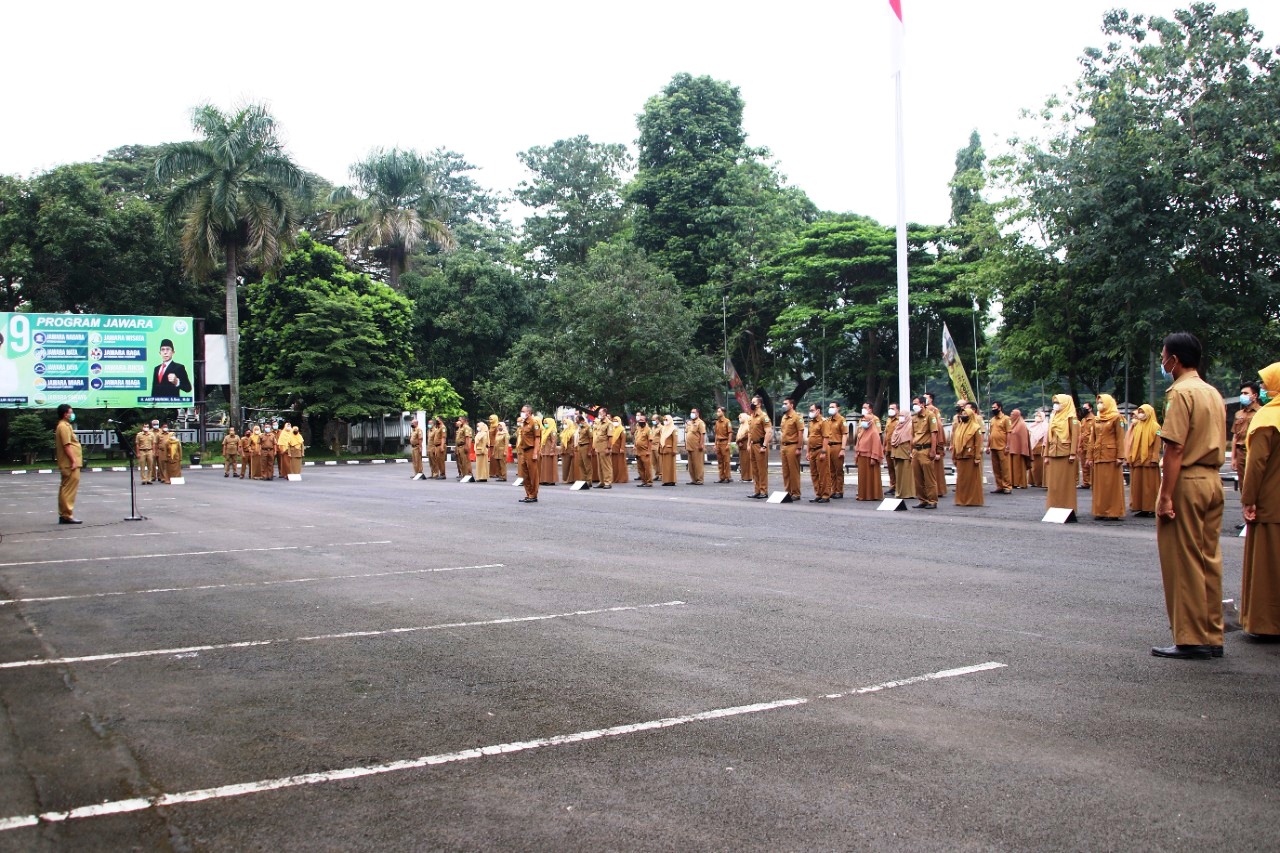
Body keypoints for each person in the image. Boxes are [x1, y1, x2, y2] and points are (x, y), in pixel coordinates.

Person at [1152, 332, 1227, 660]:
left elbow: (1176, 446)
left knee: (1183, 561)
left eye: (1164, 356)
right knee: (1208, 558)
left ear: (1175, 360)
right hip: (1213, 480)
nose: (1162, 362)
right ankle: (1212, 634)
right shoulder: (1212, 392)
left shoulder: (1180, 393)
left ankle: (1190, 637)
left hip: (1188, 480)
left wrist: (1166, 495)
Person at [1240, 362, 1280, 641]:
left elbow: (1256, 465)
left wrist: (1248, 499)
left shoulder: (1268, 419)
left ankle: (1267, 622)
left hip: (1270, 501)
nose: (1262, 390)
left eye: (1266, 384)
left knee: (1268, 564)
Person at [1088, 394, 1126, 521]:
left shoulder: (1117, 418)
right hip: (1098, 455)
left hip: (1111, 456)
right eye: (1098, 402)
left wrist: (1120, 456)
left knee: (1111, 485)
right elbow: (1092, 439)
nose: (1099, 404)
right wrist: (1089, 456)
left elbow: (1120, 438)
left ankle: (1113, 512)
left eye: (1102, 402)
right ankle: (1100, 511)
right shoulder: (1096, 419)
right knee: (1099, 485)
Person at [1044, 395, 1079, 512]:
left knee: (1066, 483)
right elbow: (1049, 436)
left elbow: (1075, 437)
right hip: (1053, 452)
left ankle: (1067, 507)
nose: (1056, 405)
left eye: (1058, 402)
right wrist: (1046, 454)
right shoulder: (1054, 417)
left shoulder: (1071, 418)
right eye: (1055, 402)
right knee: (1054, 483)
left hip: (1065, 453)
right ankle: (1053, 506)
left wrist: (1073, 453)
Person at [1125, 404, 1161, 518]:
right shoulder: (1137, 426)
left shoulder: (1156, 427)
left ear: (1149, 413)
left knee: (1150, 486)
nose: (1140, 414)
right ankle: (1141, 507)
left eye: (1143, 412)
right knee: (1138, 486)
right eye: (1139, 412)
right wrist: (1130, 457)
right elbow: (1132, 443)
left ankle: (1151, 508)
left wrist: (1155, 458)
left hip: (1149, 461)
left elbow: (1157, 444)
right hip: (1137, 459)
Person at [951, 401, 984, 507]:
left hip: (970, 456)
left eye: (966, 414)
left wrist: (978, 457)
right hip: (960, 456)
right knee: (961, 479)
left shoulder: (975, 427)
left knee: (971, 480)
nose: (963, 416)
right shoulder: (960, 426)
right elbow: (956, 441)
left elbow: (978, 444)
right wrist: (954, 455)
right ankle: (961, 499)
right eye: (963, 414)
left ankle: (972, 500)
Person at [54, 404, 82, 524]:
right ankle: (66, 515)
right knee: (68, 490)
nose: (72, 414)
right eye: (71, 412)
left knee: (65, 489)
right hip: (69, 463)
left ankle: (65, 514)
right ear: (65, 414)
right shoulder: (63, 427)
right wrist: (73, 460)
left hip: (68, 463)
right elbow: (67, 445)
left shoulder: (65, 425)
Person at [910, 398, 939, 509]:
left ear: (922, 404)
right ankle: (922, 500)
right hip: (916, 450)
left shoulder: (930, 416)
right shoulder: (914, 418)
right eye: (913, 404)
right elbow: (912, 435)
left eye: (916, 404)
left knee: (929, 477)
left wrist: (933, 450)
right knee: (918, 478)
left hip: (926, 449)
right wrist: (911, 450)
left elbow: (934, 434)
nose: (914, 406)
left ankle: (932, 500)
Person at [854, 403, 884, 501]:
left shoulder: (874, 431)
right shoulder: (863, 431)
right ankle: (863, 494)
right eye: (862, 421)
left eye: (865, 421)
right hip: (862, 456)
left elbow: (876, 445)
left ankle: (873, 494)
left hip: (870, 457)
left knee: (872, 477)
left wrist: (874, 457)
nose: (863, 422)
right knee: (863, 477)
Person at [923, 393, 948, 497]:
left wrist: (938, 449)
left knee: (936, 469)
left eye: (926, 398)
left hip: (934, 444)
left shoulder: (933, 410)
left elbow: (939, 428)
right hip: (924, 445)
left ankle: (938, 490)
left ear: (931, 399)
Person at [888, 403, 914, 500]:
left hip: (906, 452)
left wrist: (911, 452)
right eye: (900, 416)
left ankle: (908, 493)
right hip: (897, 452)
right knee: (898, 473)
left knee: (907, 473)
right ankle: (899, 492)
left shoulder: (910, 426)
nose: (901, 418)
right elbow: (893, 438)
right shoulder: (898, 426)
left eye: (903, 416)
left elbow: (911, 440)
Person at [779, 398, 803, 500]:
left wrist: (799, 447)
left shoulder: (797, 417)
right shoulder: (784, 417)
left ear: (791, 405)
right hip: (784, 446)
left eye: (786, 403)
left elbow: (800, 433)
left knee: (793, 471)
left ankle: (796, 493)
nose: (784, 405)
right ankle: (787, 492)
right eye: (783, 403)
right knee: (786, 471)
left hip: (793, 445)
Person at [806, 404, 831, 503]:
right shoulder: (811, 422)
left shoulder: (823, 422)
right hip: (812, 450)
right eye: (810, 410)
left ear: (818, 411)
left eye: (812, 410)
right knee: (814, 473)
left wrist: (824, 451)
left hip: (821, 449)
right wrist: (807, 451)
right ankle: (818, 493)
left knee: (823, 473)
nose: (810, 412)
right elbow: (809, 438)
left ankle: (825, 495)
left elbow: (826, 437)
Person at [516, 406, 541, 503]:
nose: (521, 413)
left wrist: (535, 452)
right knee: (525, 474)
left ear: (529, 413)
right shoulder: (523, 423)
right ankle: (528, 493)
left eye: (523, 411)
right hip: (524, 450)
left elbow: (537, 438)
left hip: (531, 450)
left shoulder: (534, 423)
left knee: (533, 474)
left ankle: (533, 495)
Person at [987, 402, 1013, 494]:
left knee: (1005, 468)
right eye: (992, 407)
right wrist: (987, 446)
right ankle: (999, 486)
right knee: (996, 468)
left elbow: (1009, 433)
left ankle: (1007, 486)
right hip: (993, 446)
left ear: (1000, 408)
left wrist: (1008, 446)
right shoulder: (992, 420)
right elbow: (990, 434)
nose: (993, 409)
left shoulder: (1006, 419)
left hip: (1002, 447)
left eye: (994, 407)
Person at [748, 401, 771, 499]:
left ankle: (763, 491)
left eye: (753, 402)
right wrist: (749, 444)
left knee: (762, 469)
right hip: (753, 445)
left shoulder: (763, 416)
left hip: (760, 445)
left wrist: (764, 446)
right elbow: (750, 432)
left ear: (759, 404)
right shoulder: (752, 416)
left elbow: (768, 432)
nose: (751, 403)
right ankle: (757, 490)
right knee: (755, 469)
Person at [826, 402, 847, 499]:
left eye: (833, 407)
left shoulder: (841, 420)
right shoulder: (828, 420)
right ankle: (833, 490)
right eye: (830, 407)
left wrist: (843, 449)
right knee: (831, 470)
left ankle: (839, 490)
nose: (831, 408)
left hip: (837, 446)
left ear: (838, 408)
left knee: (838, 470)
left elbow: (845, 434)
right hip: (829, 447)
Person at [591, 407, 614, 489]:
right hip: (598, 447)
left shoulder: (609, 423)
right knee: (600, 466)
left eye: (600, 413)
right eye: (599, 413)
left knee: (606, 465)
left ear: (605, 414)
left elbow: (610, 437)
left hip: (604, 447)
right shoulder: (599, 423)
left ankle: (608, 482)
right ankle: (602, 482)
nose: (599, 414)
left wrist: (609, 448)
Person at [1008, 409, 1031, 489]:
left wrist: (1024, 450)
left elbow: (1024, 439)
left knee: (1019, 467)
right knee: (1011, 467)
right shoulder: (1011, 424)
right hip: (1011, 449)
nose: (1011, 416)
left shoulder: (1022, 425)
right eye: (1011, 414)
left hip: (1019, 450)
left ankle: (1021, 482)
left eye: (1013, 414)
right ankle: (1013, 482)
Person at [882, 403, 901, 495]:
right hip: (888, 448)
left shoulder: (900, 420)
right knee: (890, 468)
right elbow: (886, 434)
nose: (890, 410)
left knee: (897, 467)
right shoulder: (889, 420)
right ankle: (892, 486)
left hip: (896, 447)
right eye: (889, 408)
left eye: (893, 408)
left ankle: (898, 486)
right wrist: (883, 445)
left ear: (897, 410)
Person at [685, 408, 707, 485]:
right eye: (691, 412)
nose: (692, 414)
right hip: (689, 446)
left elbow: (702, 434)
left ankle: (699, 479)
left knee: (698, 464)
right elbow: (687, 433)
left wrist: (701, 444)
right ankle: (693, 479)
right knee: (691, 465)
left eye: (694, 412)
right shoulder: (689, 423)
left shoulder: (700, 423)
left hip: (696, 446)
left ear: (698, 413)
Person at [1077, 402, 1096, 489]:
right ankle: (1086, 482)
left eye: (1086, 408)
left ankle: (1093, 482)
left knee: (1091, 464)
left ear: (1090, 409)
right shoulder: (1083, 420)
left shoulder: (1094, 419)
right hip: (1083, 445)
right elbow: (1081, 433)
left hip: (1090, 445)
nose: (1083, 409)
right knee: (1084, 465)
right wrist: (1079, 445)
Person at [1028, 410, 1049, 488]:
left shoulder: (1045, 426)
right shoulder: (1032, 426)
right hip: (1032, 448)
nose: (1037, 417)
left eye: (1039, 416)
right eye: (1036, 416)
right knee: (1032, 467)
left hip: (1040, 449)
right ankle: (1032, 481)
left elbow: (1046, 438)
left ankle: (1039, 482)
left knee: (1038, 467)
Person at [633, 414, 654, 486]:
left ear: (645, 421)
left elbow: (650, 441)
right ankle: (643, 481)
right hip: (638, 451)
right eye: (639, 420)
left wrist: (649, 450)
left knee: (647, 468)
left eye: (642, 420)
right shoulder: (638, 429)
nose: (640, 421)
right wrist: (634, 446)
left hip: (645, 451)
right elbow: (636, 438)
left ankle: (649, 482)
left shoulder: (648, 429)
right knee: (640, 468)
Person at [714, 407, 733, 482]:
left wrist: (729, 443)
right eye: (717, 411)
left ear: (723, 412)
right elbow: (716, 434)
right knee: (720, 461)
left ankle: (727, 477)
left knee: (726, 461)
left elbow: (730, 433)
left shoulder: (727, 421)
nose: (717, 413)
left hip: (725, 442)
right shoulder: (717, 422)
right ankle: (721, 477)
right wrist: (715, 444)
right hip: (718, 442)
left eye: (719, 411)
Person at [658, 415, 679, 486]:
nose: (665, 421)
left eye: (666, 420)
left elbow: (675, 440)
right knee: (665, 467)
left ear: (670, 420)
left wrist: (674, 449)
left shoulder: (673, 429)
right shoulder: (663, 428)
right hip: (664, 449)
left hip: (670, 450)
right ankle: (666, 480)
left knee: (671, 466)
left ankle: (672, 480)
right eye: (664, 420)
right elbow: (661, 439)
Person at [539, 417, 559, 485]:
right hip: (544, 451)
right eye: (544, 423)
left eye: (546, 423)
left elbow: (554, 442)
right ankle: (544, 479)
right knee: (545, 466)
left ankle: (550, 480)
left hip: (550, 452)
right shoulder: (545, 431)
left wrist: (552, 450)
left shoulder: (553, 431)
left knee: (550, 467)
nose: (545, 424)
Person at [574, 416, 593, 485]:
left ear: (582, 420)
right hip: (580, 446)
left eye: (578, 421)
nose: (577, 422)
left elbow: (591, 438)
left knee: (587, 464)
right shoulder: (580, 427)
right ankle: (583, 479)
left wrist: (589, 450)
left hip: (586, 446)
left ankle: (589, 480)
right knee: (581, 464)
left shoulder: (588, 427)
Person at [610, 417, 629, 484]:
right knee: (614, 465)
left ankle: (622, 478)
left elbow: (623, 440)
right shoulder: (612, 429)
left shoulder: (621, 429)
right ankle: (615, 478)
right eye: (614, 421)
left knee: (620, 464)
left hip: (619, 449)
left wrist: (622, 448)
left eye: (616, 421)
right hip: (613, 449)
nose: (615, 422)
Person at [559, 418, 576, 483]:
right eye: (564, 424)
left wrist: (572, 451)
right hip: (564, 451)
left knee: (569, 465)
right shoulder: (564, 432)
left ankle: (570, 479)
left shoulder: (572, 432)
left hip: (569, 450)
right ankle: (565, 479)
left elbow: (572, 443)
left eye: (566, 424)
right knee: (565, 466)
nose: (564, 425)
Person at [736, 413, 752, 483]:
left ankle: (748, 477)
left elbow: (747, 435)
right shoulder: (741, 426)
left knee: (747, 462)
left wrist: (739, 440)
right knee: (742, 462)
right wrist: (738, 441)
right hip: (741, 446)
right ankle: (743, 477)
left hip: (746, 445)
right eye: (739, 418)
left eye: (741, 417)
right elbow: (738, 435)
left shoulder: (748, 425)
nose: (740, 419)